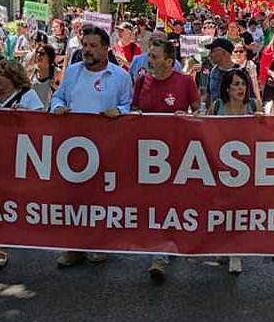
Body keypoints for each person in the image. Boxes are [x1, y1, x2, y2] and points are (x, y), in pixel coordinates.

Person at [50, 24, 131, 268]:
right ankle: (74, 248)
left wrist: (120, 111)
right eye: (85, 45)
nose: (87, 50)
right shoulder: (72, 72)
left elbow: (129, 105)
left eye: (93, 46)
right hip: (73, 146)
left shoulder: (121, 77)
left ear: (106, 48)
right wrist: (57, 108)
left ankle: (100, 244)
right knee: (74, 197)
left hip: (106, 147)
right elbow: (58, 97)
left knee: (101, 198)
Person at [132, 38, 200, 281]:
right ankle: (160, 246)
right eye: (149, 56)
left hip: (177, 156)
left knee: (169, 202)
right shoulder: (142, 81)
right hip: (147, 155)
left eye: (154, 57)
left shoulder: (185, 82)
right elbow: (133, 111)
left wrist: (187, 116)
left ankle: (161, 253)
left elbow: (199, 113)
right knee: (153, 202)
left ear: (169, 61)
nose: (148, 61)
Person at [0, 59, 44, 268]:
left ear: (13, 77)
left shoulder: (26, 95)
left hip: (18, 156)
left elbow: (42, 122)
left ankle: (5, 244)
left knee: (9, 200)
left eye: (2, 74)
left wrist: (25, 117)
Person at [204, 68, 262, 275]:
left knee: (239, 210)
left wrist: (260, 121)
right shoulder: (217, 106)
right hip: (219, 165)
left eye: (243, 84)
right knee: (221, 209)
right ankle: (223, 246)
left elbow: (266, 134)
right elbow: (203, 129)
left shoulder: (254, 105)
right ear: (227, 88)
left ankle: (235, 253)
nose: (241, 88)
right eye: (236, 84)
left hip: (245, 168)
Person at [205, 37, 238, 106]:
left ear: (223, 52)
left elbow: (250, 98)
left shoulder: (241, 72)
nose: (210, 55)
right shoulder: (212, 72)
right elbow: (208, 96)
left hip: (235, 115)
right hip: (215, 115)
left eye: (213, 51)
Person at [231, 42, 262, 108]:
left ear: (245, 53)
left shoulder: (250, 64)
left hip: (248, 98)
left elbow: (255, 84)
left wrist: (259, 101)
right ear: (232, 53)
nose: (238, 53)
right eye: (235, 51)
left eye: (241, 51)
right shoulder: (229, 65)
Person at [29, 44, 57, 109]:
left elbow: (62, 93)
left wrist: (55, 86)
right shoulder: (30, 72)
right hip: (32, 111)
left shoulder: (56, 72)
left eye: (42, 53)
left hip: (48, 113)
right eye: (37, 52)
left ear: (50, 56)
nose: (38, 55)